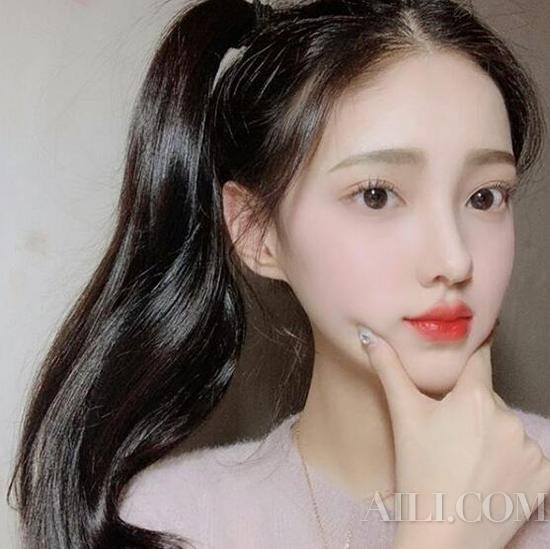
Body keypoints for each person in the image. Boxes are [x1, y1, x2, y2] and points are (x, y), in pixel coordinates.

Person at [7, 0, 550, 547]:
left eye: (485, 196)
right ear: (256, 231)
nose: (455, 261)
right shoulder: (162, 522)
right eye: (377, 195)